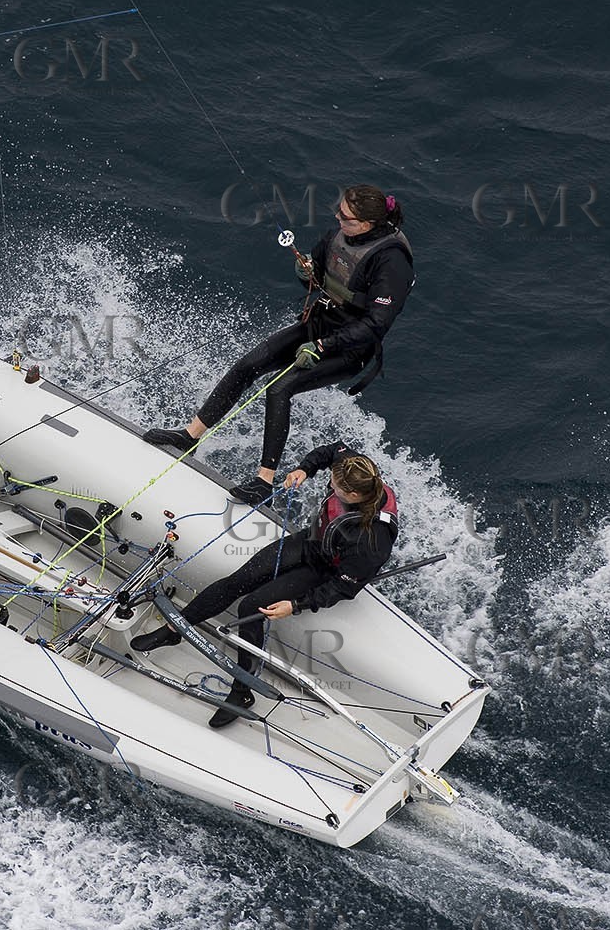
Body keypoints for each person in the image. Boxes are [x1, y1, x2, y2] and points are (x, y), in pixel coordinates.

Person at [143, 184, 414, 505]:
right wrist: (306, 272)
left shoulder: (392, 261)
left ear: (367, 224)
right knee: (247, 365)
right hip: (319, 322)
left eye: (345, 216)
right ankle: (189, 437)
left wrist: (324, 346)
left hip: (350, 347)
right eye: (339, 211)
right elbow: (317, 277)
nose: (337, 217)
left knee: (279, 388)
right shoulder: (341, 235)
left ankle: (263, 482)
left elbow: (376, 325)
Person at [129, 442, 398, 728]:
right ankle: (174, 630)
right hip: (310, 542)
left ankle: (242, 692)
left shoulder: (372, 541)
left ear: (354, 495)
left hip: (323, 570)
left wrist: (296, 605)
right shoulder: (355, 466)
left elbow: (342, 588)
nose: (330, 484)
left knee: (249, 607)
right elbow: (329, 451)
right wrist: (304, 469)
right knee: (239, 581)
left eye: (335, 486)